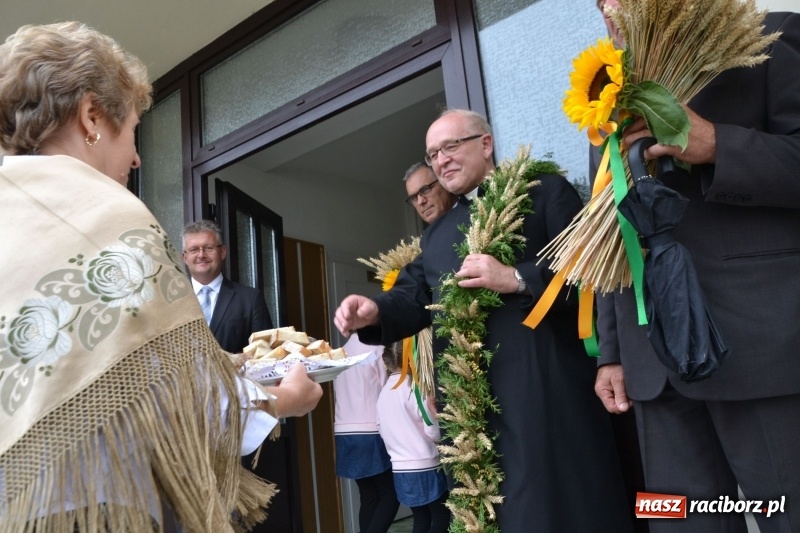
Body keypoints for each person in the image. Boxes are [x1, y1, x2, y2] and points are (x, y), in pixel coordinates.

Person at [0, 21, 321, 532]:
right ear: (90, 116)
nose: (136, 157)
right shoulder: (106, 212)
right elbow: (191, 404)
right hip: (101, 508)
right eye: (131, 131)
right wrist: (285, 400)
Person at [334, 109, 632, 532]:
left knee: (565, 507)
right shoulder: (438, 234)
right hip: (474, 410)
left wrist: (513, 277)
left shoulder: (544, 192)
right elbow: (413, 294)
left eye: (451, 146)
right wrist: (374, 311)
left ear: (485, 144)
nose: (441, 160)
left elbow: (591, 273)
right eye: (433, 153)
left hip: (545, 392)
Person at [592, 3, 800, 533]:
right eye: (599, 0)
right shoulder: (607, 95)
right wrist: (611, 354)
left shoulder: (769, 36)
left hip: (758, 344)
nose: (610, 7)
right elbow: (616, 235)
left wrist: (716, 145)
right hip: (651, 369)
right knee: (676, 522)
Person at [376, 341, 449, 533]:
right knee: (442, 519)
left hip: (400, 468)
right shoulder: (416, 388)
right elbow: (432, 430)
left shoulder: (383, 394)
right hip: (425, 464)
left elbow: (381, 429)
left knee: (421, 519)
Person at [333, 334, 399, 533]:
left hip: (344, 430)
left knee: (368, 496)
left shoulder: (341, 352)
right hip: (370, 428)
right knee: (391, 495)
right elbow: (388, 387)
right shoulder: (377, 349)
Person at [182, 220, 273, 354]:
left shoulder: (250, 299)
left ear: (223, 252)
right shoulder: (171, 301)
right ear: (185, 257)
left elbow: (264, 353)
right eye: (194, 249)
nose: (201, 255)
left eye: (208, 248)